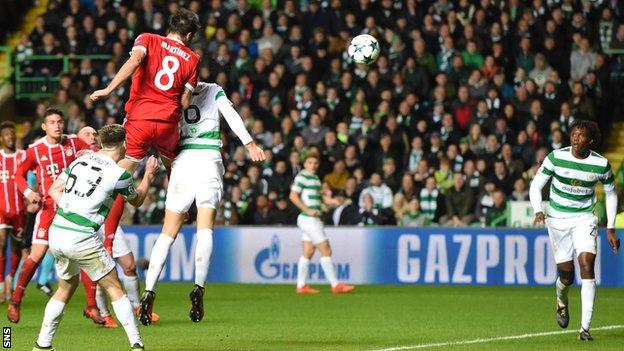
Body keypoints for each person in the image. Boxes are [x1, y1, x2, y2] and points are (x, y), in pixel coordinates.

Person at [139, 82, 265, 325]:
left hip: (183, 159)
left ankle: (149, 290)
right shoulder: (214, 89)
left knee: (167, 233)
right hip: (208, 157)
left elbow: (162, 133)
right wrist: (249, 144)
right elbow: (231, 116)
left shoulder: (170, 92)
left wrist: (169, 169)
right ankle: (198, 287)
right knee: (205, 228)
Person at [89, 9, 201, 276]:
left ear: (170, 27)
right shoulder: (193, 59)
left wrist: (109, 89)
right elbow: (185, 103)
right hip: (166, 124)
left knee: (120, 176)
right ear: (188, 35)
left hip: (139, 119)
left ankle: (105, 234)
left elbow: (134, 62)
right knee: (175, 165)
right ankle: (183, 209)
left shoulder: (147, 39)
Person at [32, 124, 159, 351]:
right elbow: (137, 200)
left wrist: (71, 210)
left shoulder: (79, 161)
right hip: (81, 237)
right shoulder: (119, 174)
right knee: (114, 288)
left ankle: (42, 344)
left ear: (101, 143)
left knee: (65, 288)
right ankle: (136, 343)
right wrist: (148, 176)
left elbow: (53, 189)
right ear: (123, 144)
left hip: (58, 231)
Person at [529, 120, 619, 341]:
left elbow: (611, 193)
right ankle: (561, 299)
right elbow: (536, 185)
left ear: (590, 140)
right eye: (573, 134)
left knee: (587, 264)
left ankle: (585, 328)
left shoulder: (601, 164)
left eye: (580, 135)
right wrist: (538, 210)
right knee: (566, 277)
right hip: (558, 219)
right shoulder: (556, 157)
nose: (575, 138)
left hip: (585, 219)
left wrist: (610, 228)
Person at [8, 108, 97, 324]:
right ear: (44, 126)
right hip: (48, 210)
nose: (57, 125)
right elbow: (18, 174)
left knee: (84, 256)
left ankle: (92, 306)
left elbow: (97, 154)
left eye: (60, 121)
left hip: (73, 210)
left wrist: (92, 151)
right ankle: (16, 300)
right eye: (52, 122)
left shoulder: (74, 143)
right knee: (36, 255)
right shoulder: (35, 150)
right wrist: (29, 192)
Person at [76, 126, 160, 327]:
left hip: (110, 221)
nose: (91, 135)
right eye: (86, 134)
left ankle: (136, 306)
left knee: (129, 265)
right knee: (98, 272)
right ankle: (104, 314)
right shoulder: (83, 161)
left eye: (93, 133)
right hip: (91, 223)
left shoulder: (111, 163)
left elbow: (122, 199)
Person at [289, 152, 355, 295]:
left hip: (310, 218)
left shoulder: (315, 178)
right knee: (326, 249)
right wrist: (307, 209)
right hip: (308, 219)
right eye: (310, 162)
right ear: (305, 164)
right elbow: (293, 195)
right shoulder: (302, 176)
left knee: (308, 251)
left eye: (315, 163)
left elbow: (319, 198)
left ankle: (301, 286)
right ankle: (335, 284)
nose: (313, 165)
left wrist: (331, 201)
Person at [0, 122, 28, 303]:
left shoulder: (23, 156)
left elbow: (35, 176)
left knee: (16, 248)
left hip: (20, 210)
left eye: (12, 134)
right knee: (1, 242)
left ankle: (10, 278)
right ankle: (1, 284)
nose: (11, 137)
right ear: (2, 138)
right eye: (7, 135)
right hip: (2, 209)